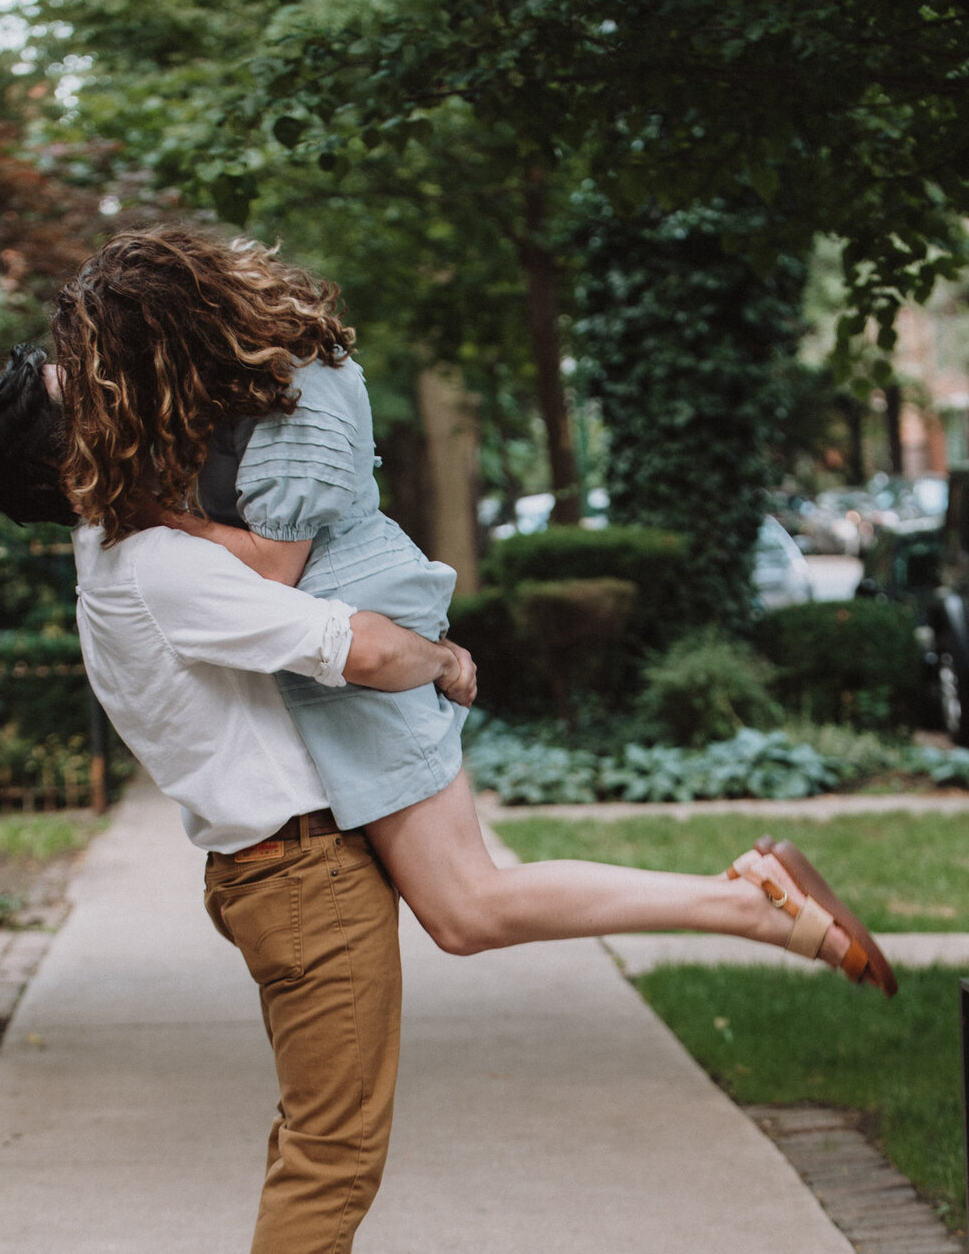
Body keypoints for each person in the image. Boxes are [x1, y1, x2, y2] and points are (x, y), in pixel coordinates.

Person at [48, 225, 896, 998]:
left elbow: (273, 566)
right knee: (464, 909)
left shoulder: (299, 393)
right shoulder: (257, 381)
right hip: (342, 647)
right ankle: (747, 901)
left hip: (357, 648)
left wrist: (142, 512)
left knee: (468, 907)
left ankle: (752, 905)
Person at [0, 344, 473, 1254]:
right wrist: (443, 656)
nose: (104, 384)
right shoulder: (160, 563)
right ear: (80, 454)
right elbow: (357, 646)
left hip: (279, 864)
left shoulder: (124, 551)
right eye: (76, 393)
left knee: (314, 1130)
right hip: (300, 870)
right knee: (336, 1148)